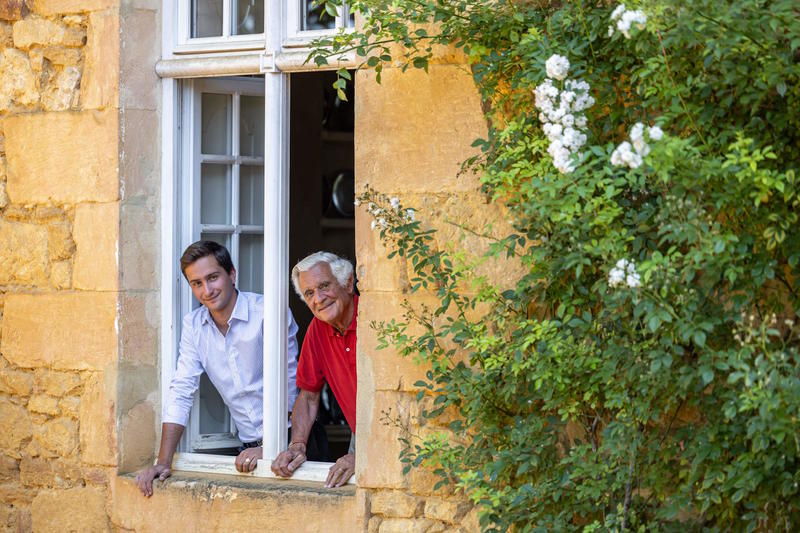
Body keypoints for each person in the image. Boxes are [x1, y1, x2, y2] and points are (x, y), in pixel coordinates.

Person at [136, 241, 299, 496]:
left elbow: (291, 384)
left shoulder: (267, 313)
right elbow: (182, 390)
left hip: (294, 440)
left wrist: (270, 448)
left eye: (213, 278)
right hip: (248, 449)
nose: (207, 290)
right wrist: (163, 462)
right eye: (197, 283)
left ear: (232, 274)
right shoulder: (194, 326)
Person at [271, 252, 358, 488]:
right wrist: (297, 445)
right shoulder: (317, 330)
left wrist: (364, 455)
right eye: (309, 293)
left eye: (324, 286)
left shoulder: (373, 320)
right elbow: (308, 396)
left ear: (348, 283)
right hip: (360, 433)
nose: (318, 299)